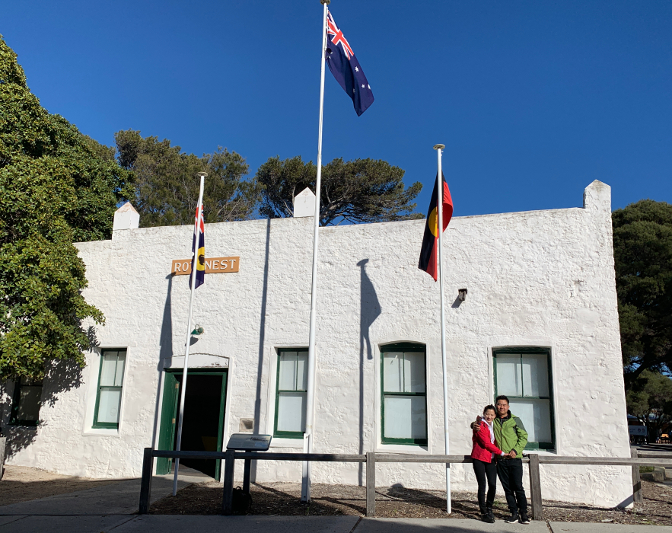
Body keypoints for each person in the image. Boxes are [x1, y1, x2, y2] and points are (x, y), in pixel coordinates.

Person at [472, 395, 530, 524]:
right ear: (496, 406)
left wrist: (515, 450)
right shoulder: (494, 419)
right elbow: (482, 422)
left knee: (518, 486)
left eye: (504, 405)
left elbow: (523, 436)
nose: (501, 407)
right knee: (507, 488)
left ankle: (524, 513)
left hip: (514, 458)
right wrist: (473, 425)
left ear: (508, 406)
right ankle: (514, 513)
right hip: (501, 459)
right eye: (499, 404)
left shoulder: (515, 420)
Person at [471, 405, 506, 523]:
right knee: (482, 485)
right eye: (487, 414)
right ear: (483, 413)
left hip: (491, 459)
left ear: (495, 416)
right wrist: (501, 453)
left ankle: (489, 507)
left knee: (493, 484)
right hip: (480, 458)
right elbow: (486, 443)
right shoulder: (480, 425)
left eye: (492, 414)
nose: (489, 416)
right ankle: (483, 511)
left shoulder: (494, 425)